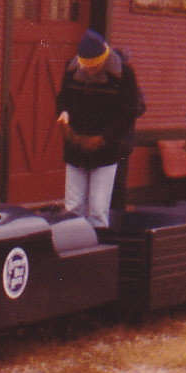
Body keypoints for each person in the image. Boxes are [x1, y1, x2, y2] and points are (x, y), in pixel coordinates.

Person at [55, 30, 142, 228]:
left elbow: (128, 113)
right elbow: (63, 98)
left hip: (106, 150)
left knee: (98, 209)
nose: (90, 71)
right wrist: (63, 112)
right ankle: (74, 247)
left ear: (104, 58)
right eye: (85, 66)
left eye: (94, 66)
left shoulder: (124, 74)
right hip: (75, 146)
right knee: (73, 206)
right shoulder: (71, 68)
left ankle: (98, 250)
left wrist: (104, 138)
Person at [109, 48, 147, 211]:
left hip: (105, 140)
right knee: (119, 181)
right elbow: (140, 107)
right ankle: (116, 214)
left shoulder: (103, 80)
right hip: (123, 140)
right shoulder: (132, 86)